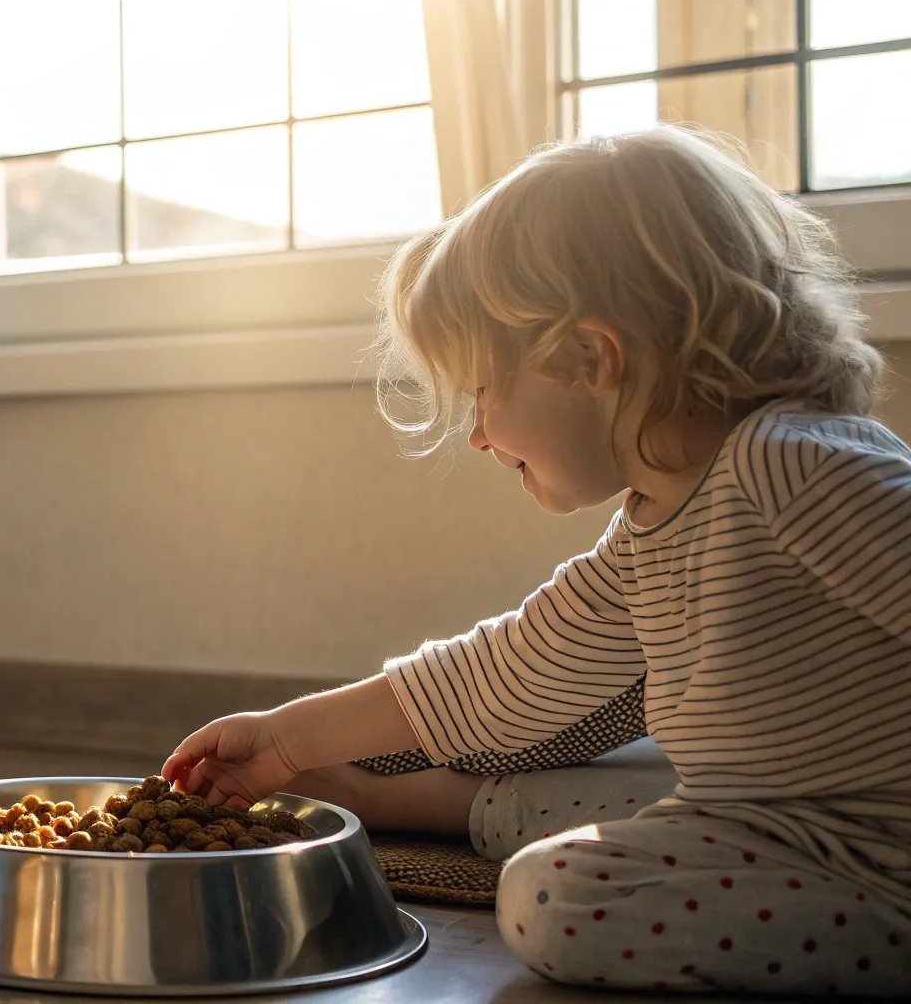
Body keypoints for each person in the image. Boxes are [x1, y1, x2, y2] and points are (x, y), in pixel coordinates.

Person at [164, 126, 911, 995]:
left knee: (552, 895)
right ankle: (408, 797)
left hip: (875, 860)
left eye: (483, 391)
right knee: (594, 783)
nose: (477, 433)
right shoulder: (652, 528)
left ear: (592, 359)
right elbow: (503, 673)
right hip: (757, 819)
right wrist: (288, 738)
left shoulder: (793, 462)